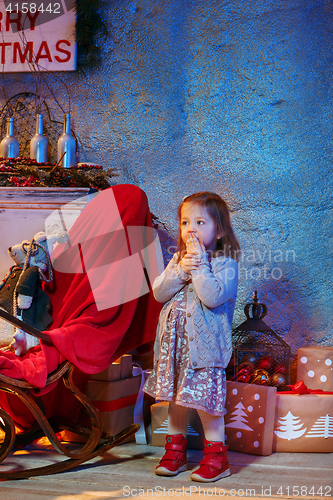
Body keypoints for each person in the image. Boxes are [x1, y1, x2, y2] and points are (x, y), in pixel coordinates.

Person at [143, 191, 240, 483]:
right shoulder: (178, 260)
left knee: (208, 402)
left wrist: (198, 267)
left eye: (200, 222)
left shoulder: (225, 265)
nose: (191, 229)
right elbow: (159, 293)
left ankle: (216, 458)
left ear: (219, 230)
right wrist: (181, 269)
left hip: (205, 352)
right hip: (175, 349)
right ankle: (175, 451)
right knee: (177, 399)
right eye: (186, 222)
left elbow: (211, 298)